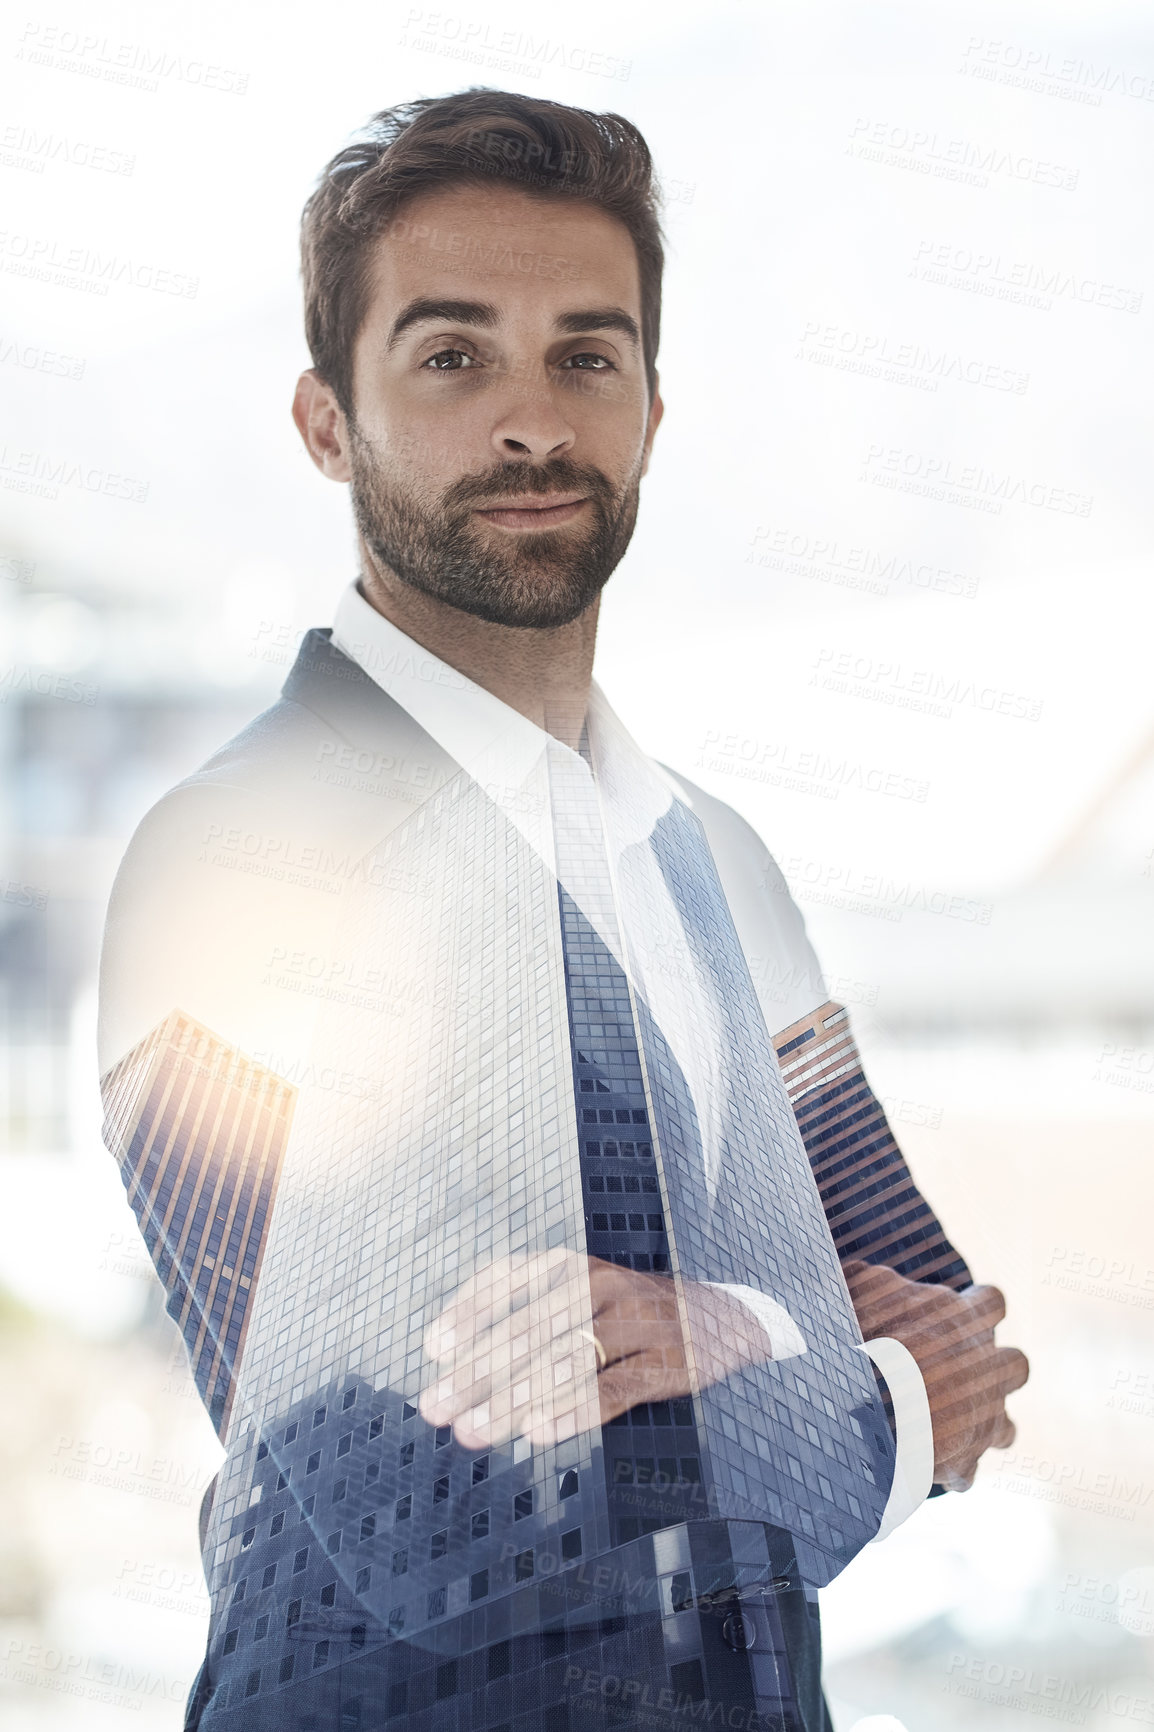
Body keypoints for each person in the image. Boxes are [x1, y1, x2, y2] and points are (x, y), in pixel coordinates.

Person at [98, 90, 1027, 1732]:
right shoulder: (235, 854)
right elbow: (415, 1487)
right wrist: (845, 1373)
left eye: (584, 357)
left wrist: (727, 1328)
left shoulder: (713, 855)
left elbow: (942, 1312)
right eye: (453, 359)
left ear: (654, 410)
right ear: (328, 422)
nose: (532, 423)